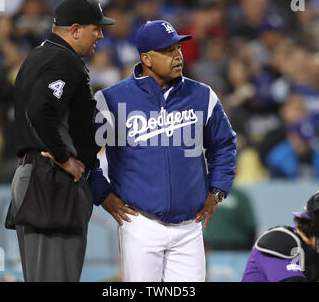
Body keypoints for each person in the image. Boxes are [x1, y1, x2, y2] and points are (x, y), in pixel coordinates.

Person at [89, 20, 237, 282]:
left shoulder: (202, 95)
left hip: (189, 225)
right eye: (167, 51)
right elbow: (85, 152)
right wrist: (103, 194)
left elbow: (224, 144)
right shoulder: (112, 99)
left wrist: (217, 190)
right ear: (146, 58)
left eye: (178, 48)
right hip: (140, 222)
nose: (177, 56)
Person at [4, 0, 115, 282]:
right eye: (96, 28)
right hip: (51, 182)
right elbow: (40, 111)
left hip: (39, 178)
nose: (101, 35)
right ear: (75, 30)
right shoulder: (62, 60)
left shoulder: (41, 54)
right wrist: (65, 158)